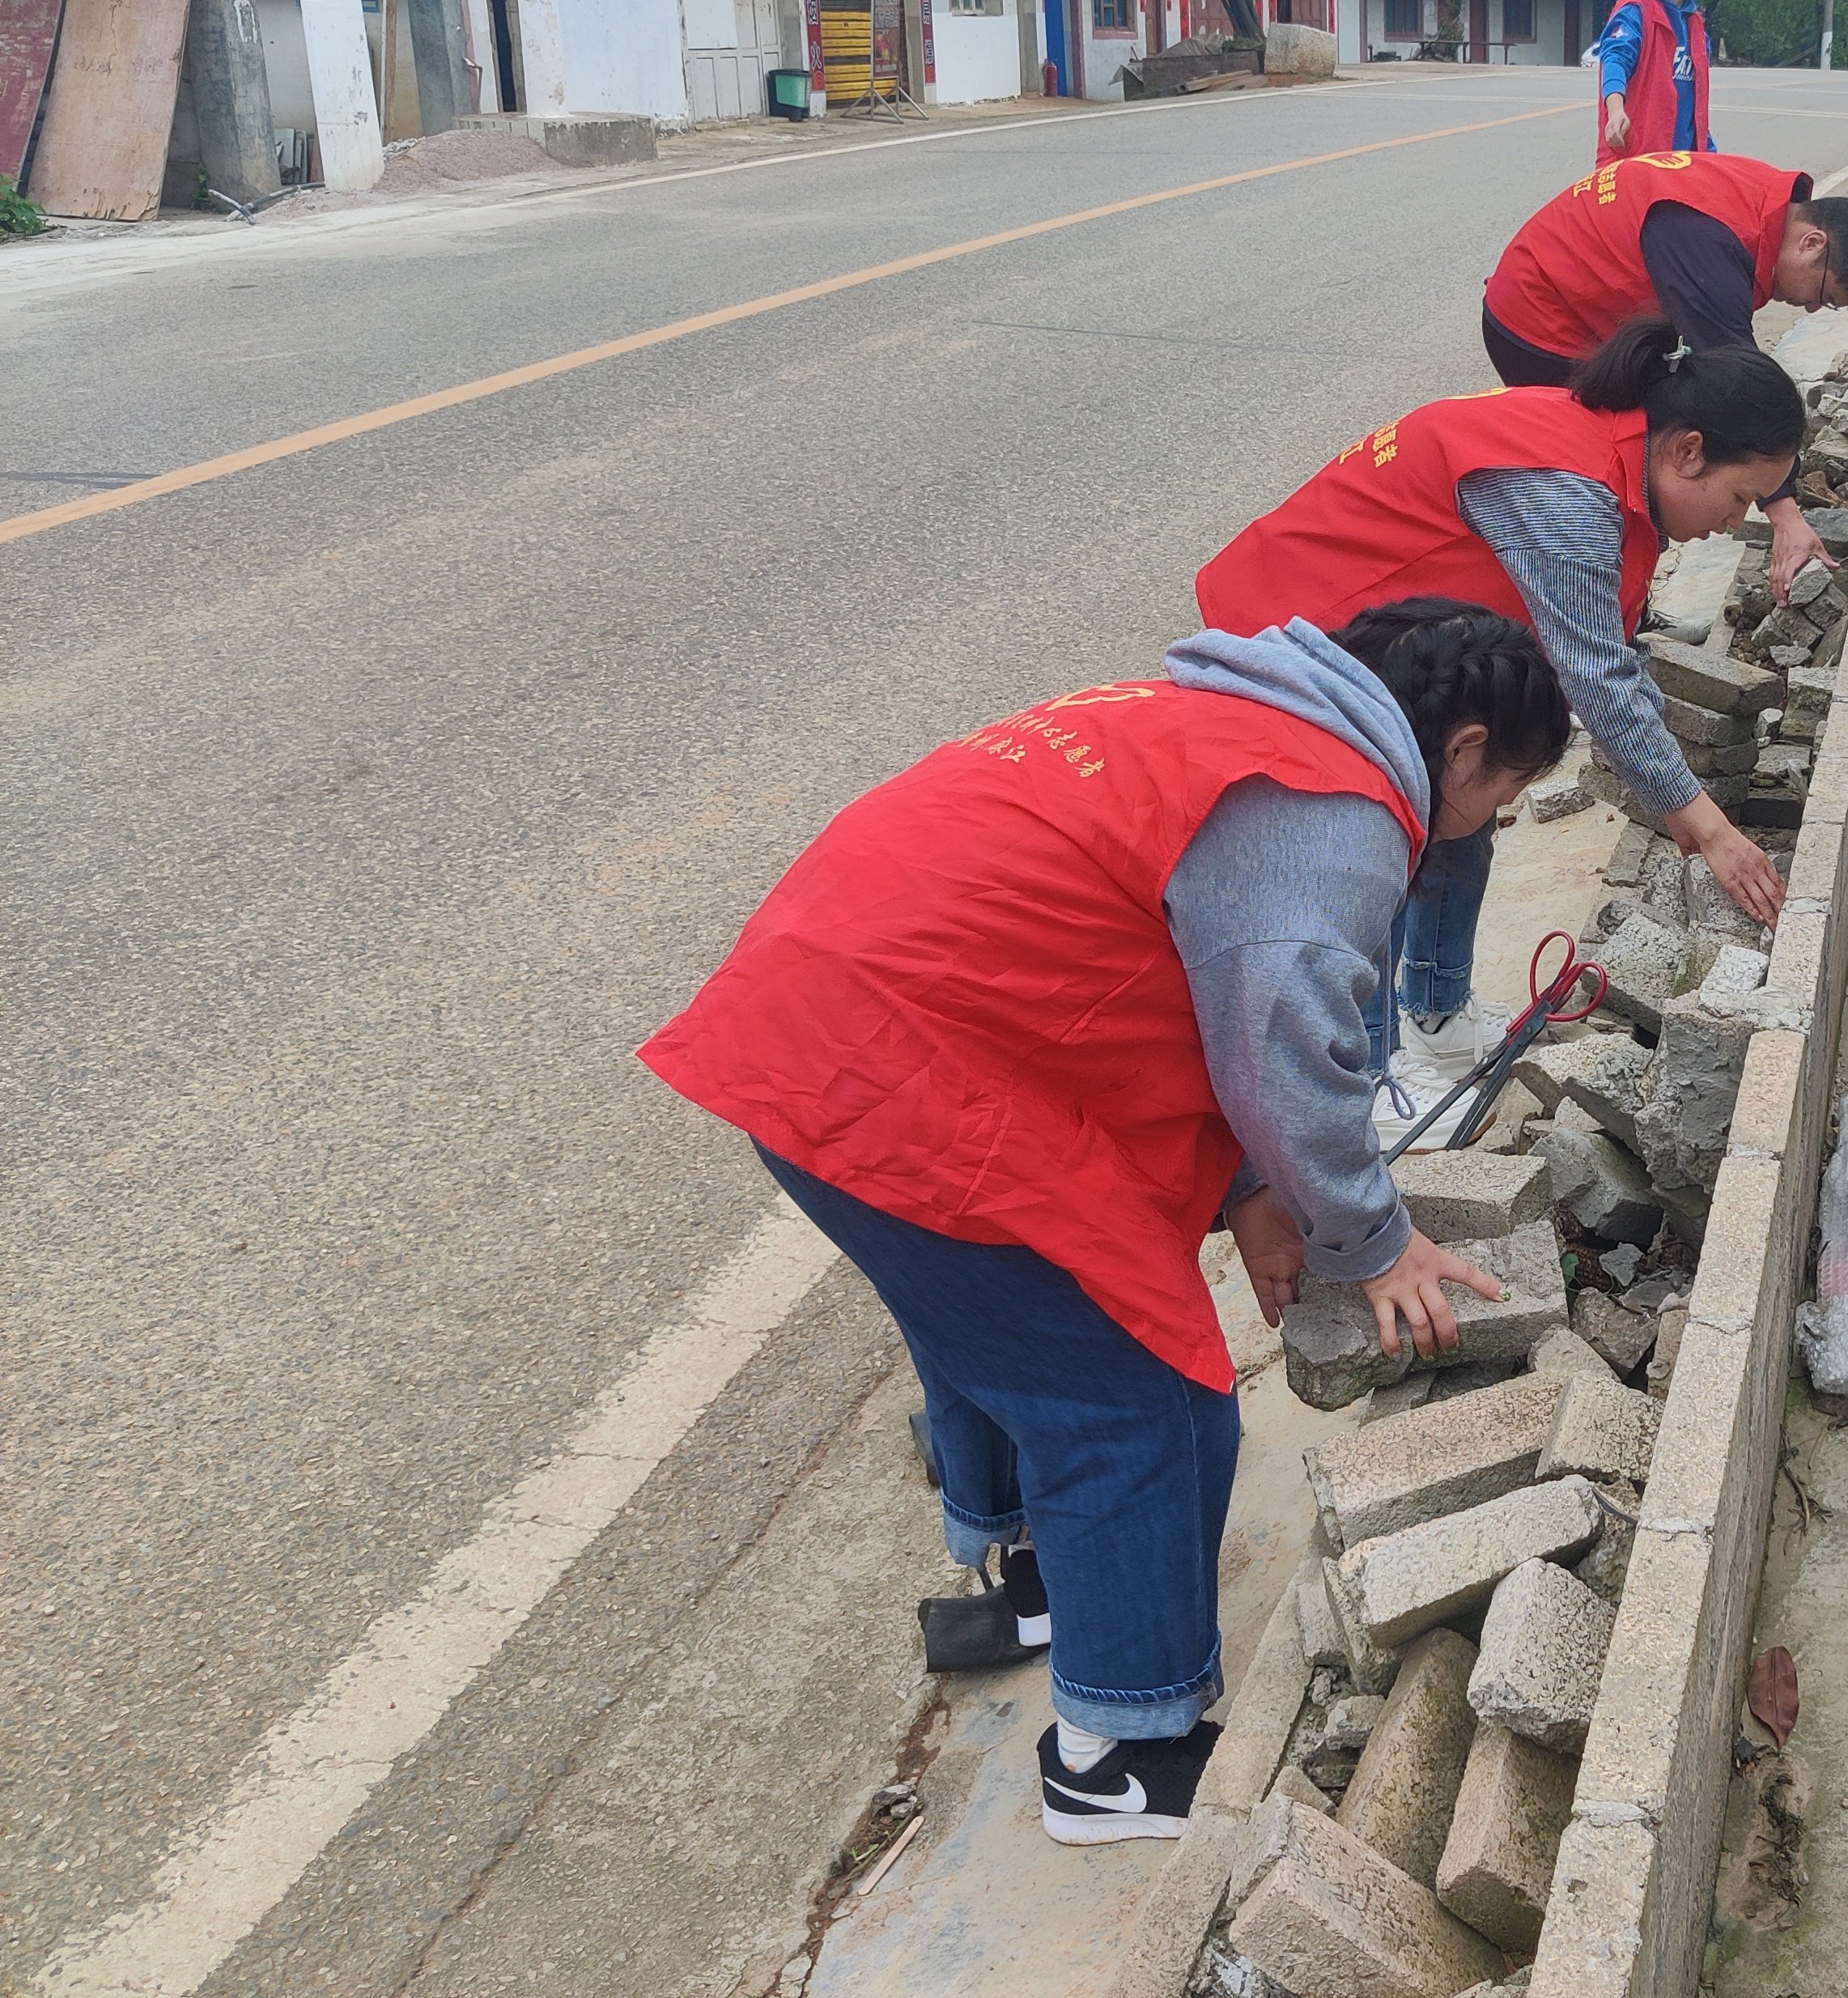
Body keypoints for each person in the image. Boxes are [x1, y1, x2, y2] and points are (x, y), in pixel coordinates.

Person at [637, 602, 1569, 1846]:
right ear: (1461, 751)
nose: (1489, 822)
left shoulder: (1238, 718)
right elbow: (1293, 1052)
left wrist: (1247, 1195)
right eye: (1502, 793)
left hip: (815, 1035)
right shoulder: (1332, 821)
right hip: (901, 1079)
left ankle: (1032, 1585)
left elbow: (1217, 980)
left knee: (992, 1336)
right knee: (1141, 1406)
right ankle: (1117, 1755)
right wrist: (1376, 1241)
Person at [1196, 321, 1803, 1134]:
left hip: (1394, 637)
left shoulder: (1610, 455)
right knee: (1376, 843)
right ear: (1687, 451)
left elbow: (1604, 650)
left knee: (1461, 815)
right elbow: (1595, 676)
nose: (1734, 525)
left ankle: (1437, 1014)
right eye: (1738, 499)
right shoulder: (1568, 487)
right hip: (1302, 631)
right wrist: (1707, 824)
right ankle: (1367, 1086)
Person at [1481, 150, 1848, 602]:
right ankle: (1583, 614)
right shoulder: (1710, 237)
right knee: (1612, 471)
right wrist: (1786, 514)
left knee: (1645, 454)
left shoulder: (1767, 203)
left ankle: (1621, 606)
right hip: (1541, 320)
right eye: (1825, 296)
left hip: (1589, 308)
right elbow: (1737, 389)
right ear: (1812, 243)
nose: (1813, 308)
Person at [1596, 0, 1720, 164]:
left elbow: (1694, 112)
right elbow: (1614, 58)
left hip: (1683, 165)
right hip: (1637, 165)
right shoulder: (1636, 8)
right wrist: (1616, 110)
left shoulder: (1695, 23)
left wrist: (1709, 158)